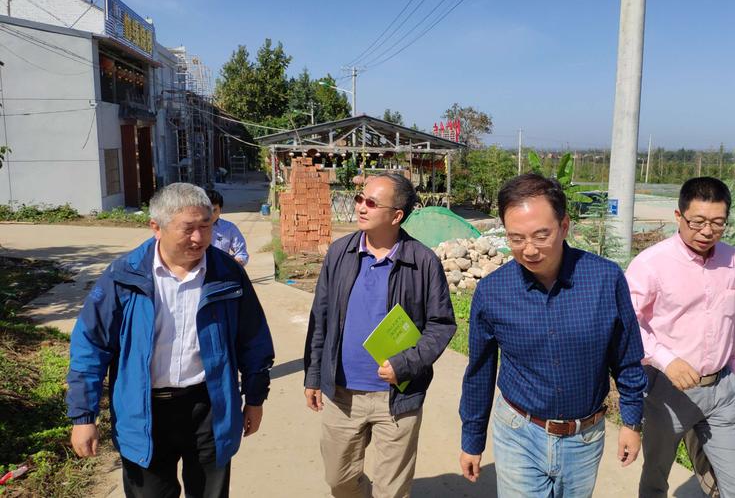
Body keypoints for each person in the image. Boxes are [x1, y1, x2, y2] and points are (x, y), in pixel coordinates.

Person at [66, 183, 275, 498]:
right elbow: (90, 346)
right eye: (188, 229)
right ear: (156, 227)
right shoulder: (123, 276)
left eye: (206, 226)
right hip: (144, 411)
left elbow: (254, 340)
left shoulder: (227, 274)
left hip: (210, 407)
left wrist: (255, 399)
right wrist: (84, 416)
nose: (199, 238)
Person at [459, 173, 647, 497]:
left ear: (564, 226)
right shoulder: (493, 292)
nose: (529, 250)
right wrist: (472, 440)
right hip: (518, 431)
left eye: (541, 235)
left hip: (584, 439)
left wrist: (631, 422)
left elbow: (627, 357)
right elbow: (479, 372)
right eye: (516, 238)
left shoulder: (605, 279)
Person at [303, 172, 456, 498]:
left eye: (371, 203)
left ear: (396, 215)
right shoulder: (339, 253)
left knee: (392, 491)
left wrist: (406, 364)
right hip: (342, 393)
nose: (361, 206)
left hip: (397, 397)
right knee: (339, 479)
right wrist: (314, 375)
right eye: (360, 199)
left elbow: (441, 324)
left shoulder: (423, 262)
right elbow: (321, 318)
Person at [625, 176, 735, 498]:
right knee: (656, 477)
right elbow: (627, 324)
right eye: (697, 221)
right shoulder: (651, 264)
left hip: (721, 389)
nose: (707, 231)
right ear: (678, 216)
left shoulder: (732, 258)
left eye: (717, 222)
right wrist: (666, 360)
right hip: (668, 392)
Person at [204, 189, 249, 266]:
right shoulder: (191, 228)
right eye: (207, 210)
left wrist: (236, 262)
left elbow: (241, 253)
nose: (211, 214)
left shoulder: (229, 228)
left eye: (214, 210)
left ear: (220, 210)